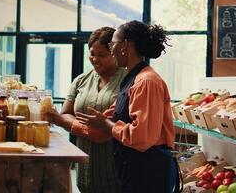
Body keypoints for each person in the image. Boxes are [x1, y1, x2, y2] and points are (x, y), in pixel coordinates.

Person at [76, 20, 180, 193]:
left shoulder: (146, 81)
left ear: (125, 46)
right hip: (134, 168)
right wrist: (100, 119)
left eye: (112, 44)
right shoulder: (132, 78)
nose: (111, 50)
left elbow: (141, 137)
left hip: (149, 171)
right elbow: (115, 113)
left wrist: (107, 125)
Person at [47, 26, 126, 193]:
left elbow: (106, 132)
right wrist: (67, 120)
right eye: (92, 54)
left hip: (116, 170)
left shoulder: (128, 81)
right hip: (85, 169)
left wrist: (67, 122)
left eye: (102, 55)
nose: (95, 59)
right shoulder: (81, 80)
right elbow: (66, 113)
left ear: (115, 52)